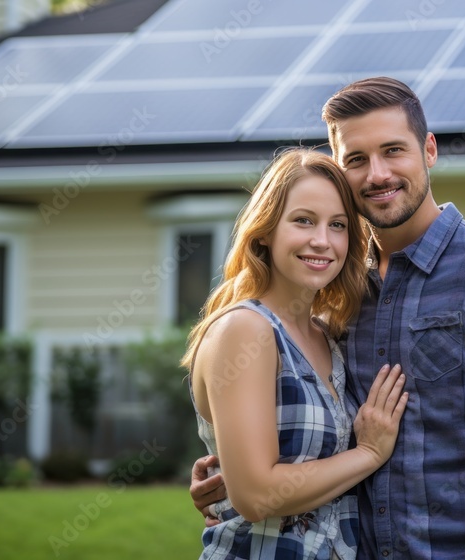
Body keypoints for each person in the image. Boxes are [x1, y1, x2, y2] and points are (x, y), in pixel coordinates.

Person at [191, 78, 465, 560]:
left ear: (429, 150)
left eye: (393, 151)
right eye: (357, 159)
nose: (378, 173)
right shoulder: (337, 298)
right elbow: (296, 441)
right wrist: (234, 477)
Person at [181, 148, 409, 560]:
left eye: (337, 225)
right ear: (266, 230)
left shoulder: (328, 337)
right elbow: (256, 497)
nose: (322, 240)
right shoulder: (245, 330)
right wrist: (368, 454)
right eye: (303, 220)